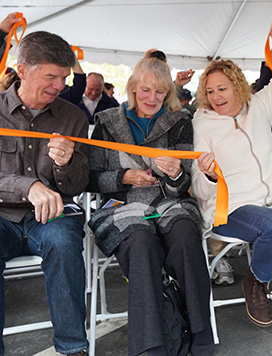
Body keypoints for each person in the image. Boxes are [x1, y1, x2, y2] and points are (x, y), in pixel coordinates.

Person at [192, 10, 272, 328]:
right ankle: (256, 281)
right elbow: (197, 184)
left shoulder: (260, 105)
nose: (215, 96)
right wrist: (209, 175)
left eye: (222, 88)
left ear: (237, 85)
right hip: (230, 207)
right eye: (209, 91)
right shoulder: (202, 123)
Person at [88, 56, 213, 356]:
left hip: (171, 203)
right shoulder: (106, 121)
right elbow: (90, 179)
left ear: (169, 92)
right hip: (124, 205)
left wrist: (175, 173)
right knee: (142, 245)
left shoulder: (180, 121)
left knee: (185, 238)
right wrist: (124, 177)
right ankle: (151, 346)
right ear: (132, 87)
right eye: (145, 90)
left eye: (160, 92)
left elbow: (182, 186)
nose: (152, 98)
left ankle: (201, 334)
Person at [0, 20, 90, 355]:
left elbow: (81, 184)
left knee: (64, 241)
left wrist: (66, 165)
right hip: (3, 216)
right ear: (22, 70)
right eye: (51, 77)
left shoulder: (73, 117)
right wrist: (29, 186)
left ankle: (73, 348)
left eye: (64, 78)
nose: (59, 86)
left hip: (53, 218)